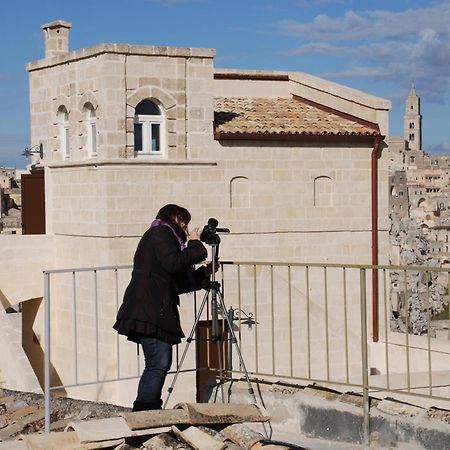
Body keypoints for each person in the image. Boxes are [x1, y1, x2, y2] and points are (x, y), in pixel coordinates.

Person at [113, 204, 211, 411]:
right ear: (172, 217)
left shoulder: (165, 237)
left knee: (159, 362)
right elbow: (172, 264)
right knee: (158, 362)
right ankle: (145, 411)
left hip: (153, 308)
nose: (184, 225)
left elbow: (175, 283)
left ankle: (148, 409)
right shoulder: (160, 233)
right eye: (182, 220)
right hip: (149, 309)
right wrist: (194, 243)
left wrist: (205, 272)